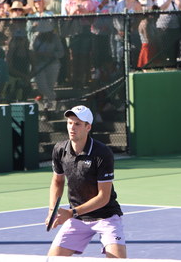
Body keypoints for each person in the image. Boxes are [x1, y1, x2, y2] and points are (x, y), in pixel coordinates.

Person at [46, 105, 126, 258]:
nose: (72, 127)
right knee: (52, 259)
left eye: (77, 124)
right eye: (69, 123)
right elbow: (57, 181)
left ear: (88, 127)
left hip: (106, 216)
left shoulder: (102, 153)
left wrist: (70, 212)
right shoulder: (60, 149)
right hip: (78, 219)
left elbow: (103, 197)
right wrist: (52, 210)